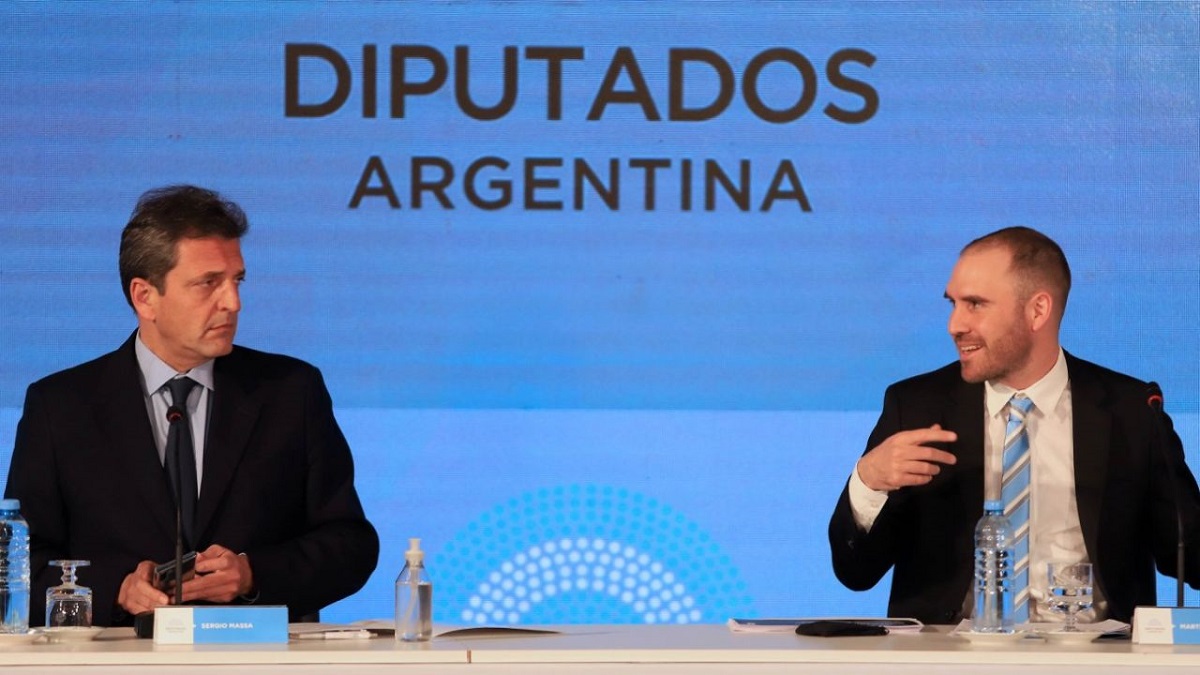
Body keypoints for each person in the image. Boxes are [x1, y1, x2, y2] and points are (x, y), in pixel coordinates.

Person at [5, 185, 380, 627]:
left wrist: (252, 575)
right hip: (119, 655)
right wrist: (117, 588)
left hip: (257, 654)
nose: (233, 303)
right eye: (208, 283)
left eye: (237, 281)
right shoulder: (61, 407)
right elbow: (21, 564)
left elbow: (350, 545)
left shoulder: (290, 392)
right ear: (145, 297)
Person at [828, 226, 1200, 625]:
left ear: (1038, 310)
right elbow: (856, 572)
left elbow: (1189, 555)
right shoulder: (918, 406)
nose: (955, 324)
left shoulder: (1131, 410)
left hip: (1093, 649)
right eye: (953, 303)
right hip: (950, 650)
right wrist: (868, 481)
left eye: (975, 304)